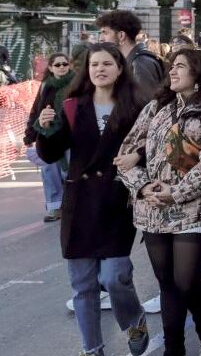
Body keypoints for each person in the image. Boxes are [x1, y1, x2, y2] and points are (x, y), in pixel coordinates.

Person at [35, 43, 151, 356]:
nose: (99, 69)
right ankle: (92, 350)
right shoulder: (73, 106)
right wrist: (45, 129)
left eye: (107, 64)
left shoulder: (136, 106)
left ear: (120, 68)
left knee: (115, 276)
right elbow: (52, 153)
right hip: (80, 204)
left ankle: (134, 319)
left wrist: (137, 155)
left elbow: (153, 146)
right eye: (94, 64)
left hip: (117, 202)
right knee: (83, 286)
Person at [115, 48, 201, 356]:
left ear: (198, 72)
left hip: (194, 211)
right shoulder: (157, 107)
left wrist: (175, 192)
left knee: (186, 281)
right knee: (167, 283)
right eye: (171, 67)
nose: (173, 72)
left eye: (180, 66)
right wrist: (143, 187)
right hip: (153, 210)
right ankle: (174, 349)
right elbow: (125, 155)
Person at [25, 52, 74, 222]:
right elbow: (36, 110)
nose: (61, 67)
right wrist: (30, 134)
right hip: (48, 135)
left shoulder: (77, 84)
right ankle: (55, 207)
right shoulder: (45, 86)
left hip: (70, 135)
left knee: (69, 170)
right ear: (51, 68)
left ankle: (71, 205)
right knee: (49, 170)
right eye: (57, 65)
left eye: (64, 64)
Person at [97, 10, 165, 99]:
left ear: (121, 36)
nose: (101, 39)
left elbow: (146, 103)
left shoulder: (140, 63)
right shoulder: (131, 61)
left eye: (105, 33)